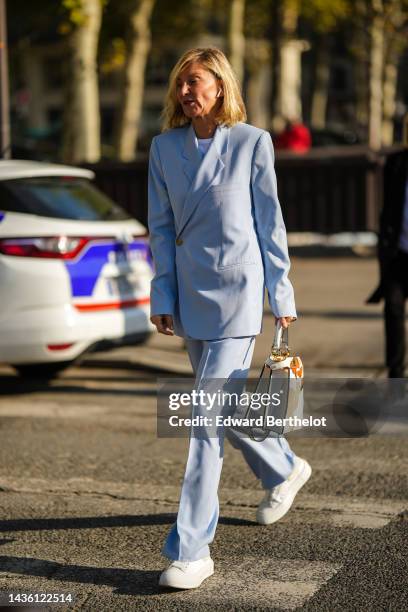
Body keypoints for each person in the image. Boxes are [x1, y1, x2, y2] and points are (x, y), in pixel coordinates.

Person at [148, 47, 312, 590]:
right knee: (228, 412)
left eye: (194, 82)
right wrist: (162, 295)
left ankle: (191, 549)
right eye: (180, 84)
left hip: (241, 298)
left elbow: (271, 225)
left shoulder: (252, 143)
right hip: (192, 299)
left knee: (204, 423)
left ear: (220, 86)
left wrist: (281, 294)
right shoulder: (163, 148)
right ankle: (285, 468)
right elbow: (161, 228)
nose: (185, 92)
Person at [367, 147, 408, 378]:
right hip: (398, 252)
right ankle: (396, 374)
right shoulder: (397, 163)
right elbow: (388, 207)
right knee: (393, 308)